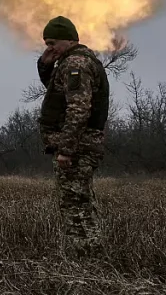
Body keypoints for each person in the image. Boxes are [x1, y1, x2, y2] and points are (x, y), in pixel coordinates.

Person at [36, 15, 110, 256]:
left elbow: (78, 109)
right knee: (82, 202)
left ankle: (88, 259)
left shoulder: (75, 64)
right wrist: (45, 66)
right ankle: (93, 255)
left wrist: (66, 150)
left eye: (52, 43)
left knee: (74, 205)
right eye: (46, 43)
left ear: (68, 40)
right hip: (83, 145)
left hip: (78, 148)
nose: (49, 47)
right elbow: (57, 92)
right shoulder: (74, 62)